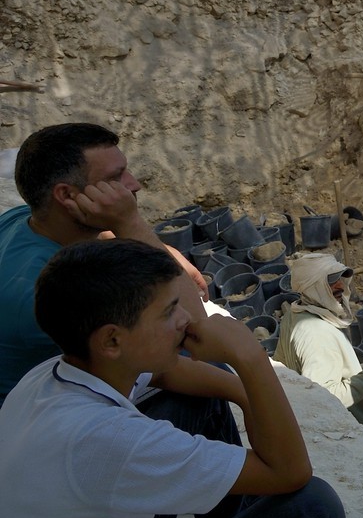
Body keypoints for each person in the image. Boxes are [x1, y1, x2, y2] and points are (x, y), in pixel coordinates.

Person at [0, 238, 363, 518]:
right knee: (313, 508)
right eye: (169, 311)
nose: (187, 319)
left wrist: (244, 394)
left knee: (200, 387)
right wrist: (251, 359)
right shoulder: (111, 440)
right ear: (112, 341)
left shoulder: (52, 375)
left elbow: (167, 376)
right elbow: (290, 473)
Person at [0, 122, 211, 405]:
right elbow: (198, 328)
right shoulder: (50, 292)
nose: (133, 184)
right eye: (116, 178)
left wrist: (165, 251)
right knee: (207, 369)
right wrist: (129, 222)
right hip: (38, 423)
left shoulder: (25, 218)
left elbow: (98, 234)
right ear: (67, 196)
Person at [275, 252, 363, 438]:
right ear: (312, 287)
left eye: (340, 279)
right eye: (330, 281)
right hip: (351, 431)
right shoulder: (316, 333)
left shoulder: (294, 314)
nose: (340, 287)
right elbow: (324, 397)